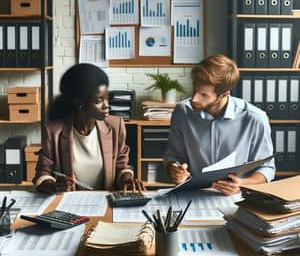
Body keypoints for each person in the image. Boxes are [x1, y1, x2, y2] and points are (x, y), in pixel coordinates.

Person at [164, 54, 275, 195]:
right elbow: (173, 155)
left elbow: (267, 169)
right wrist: (174, 169)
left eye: (204, 95)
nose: (194, 99)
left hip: (237, 198)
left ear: (224, 95)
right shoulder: (182, 112)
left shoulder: (254, 118)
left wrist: (241, 184)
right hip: (195, 195)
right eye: (194, 90)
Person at [33, 63, 145, 194]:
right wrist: (53, 185)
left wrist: (127, 179)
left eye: (107, 99)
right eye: (99, 101)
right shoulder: (54, 131)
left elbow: (122, 165)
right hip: (69, 203)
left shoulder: (115, 126)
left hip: (105, 204)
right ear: (80, 103)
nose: (107, 106)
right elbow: (42, 175)